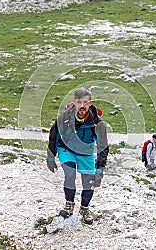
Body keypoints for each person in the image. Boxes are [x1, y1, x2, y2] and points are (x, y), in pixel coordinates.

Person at [46, 87, 109, 225]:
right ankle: (69, 205)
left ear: (90, 103)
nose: (82, 106)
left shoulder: (98, 123)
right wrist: (51, 157)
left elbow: (103, 147)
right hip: (66, 149)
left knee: (90, 183)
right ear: (74, 102)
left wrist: (100, 169)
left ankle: (84, 209)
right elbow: (54, 135)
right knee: (70, 174)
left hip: (85, 153)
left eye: (85, 102)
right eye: (79, 102)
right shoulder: (64, 118)